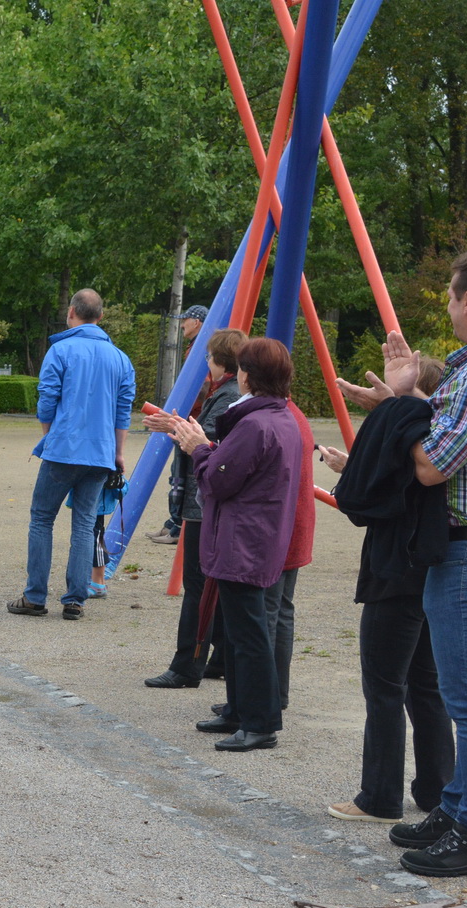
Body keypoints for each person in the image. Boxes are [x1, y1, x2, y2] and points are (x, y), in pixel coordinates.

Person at [339, 248, 467, 874]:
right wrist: (404, 400)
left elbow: (431, 464)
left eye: (450, 295)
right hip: (452, 549)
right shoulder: (464, 373)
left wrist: (399, 404)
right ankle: (456, 807)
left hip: (466, 550)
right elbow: (437, 433)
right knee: (451, 691)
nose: (447, 306)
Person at [322, 353, 453, 822]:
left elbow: (366, 502)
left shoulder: (409, 431)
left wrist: (393, 407)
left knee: (384, 686)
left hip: (396, 569)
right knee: (425, 685)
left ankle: (379, 797)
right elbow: (396, 485)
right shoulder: (438, 441)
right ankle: (437, 789)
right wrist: (353, 467)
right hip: (428, 568)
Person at [162, 337, 300, 752]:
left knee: (249, 633)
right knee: (242, 631)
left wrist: (198, 449)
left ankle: (260, 722)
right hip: (258, 536)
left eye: (242, 368)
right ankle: (240, 710)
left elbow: (219, 480)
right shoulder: (281, 417)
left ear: (248, 376)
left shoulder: (256, 424)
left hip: (244, 539)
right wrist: (209, 449)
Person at [7, 289, 136, 621]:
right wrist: (118, 453)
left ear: (71, 313)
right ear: (101, 317)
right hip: (101, 454)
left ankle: (35, 596)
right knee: (84, 525)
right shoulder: (121, 359)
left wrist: (49, 436)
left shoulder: (60, 350)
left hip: (63, 450)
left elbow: (47, 399)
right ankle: (76, 599)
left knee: (42, 518)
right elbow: (123, 412)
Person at [142, 327, 246, 687]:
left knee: (198, 586)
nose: (206, 361)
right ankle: (221, 657)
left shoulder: (228, 395)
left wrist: (175, 426)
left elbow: (209, 441)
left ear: (219, 361)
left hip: (205, 501)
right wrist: (175, 425)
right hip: (207, 500)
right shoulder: (226, 392)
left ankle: (187, 666)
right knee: (210, 585)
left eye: (208, 356)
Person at [147, 305, 211, 545]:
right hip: (190, 418)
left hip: (191, 420)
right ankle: (174, 521)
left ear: (196, 322)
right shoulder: (196, 347)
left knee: (181, 474)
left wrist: (182, 410)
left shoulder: (202, 348)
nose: (182, 324)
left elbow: (203, 386)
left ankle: (177, 525)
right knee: (178, 473)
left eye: (185, 320)